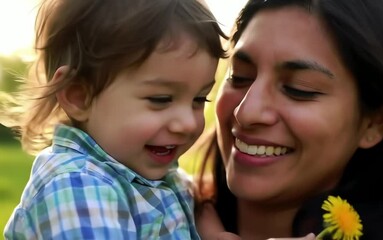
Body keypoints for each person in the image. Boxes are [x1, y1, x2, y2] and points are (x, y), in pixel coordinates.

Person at [194, 0, 383, 239]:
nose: (247, 112)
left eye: (299, 89)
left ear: (374, 123)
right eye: (240, 76)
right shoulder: (163, 208)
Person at [1, 0, 227, 238]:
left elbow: (198, 201)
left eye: (199, 99)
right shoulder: (77, 185)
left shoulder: (154, 175)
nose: (188, 124)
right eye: (161, 99)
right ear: (79, 97)